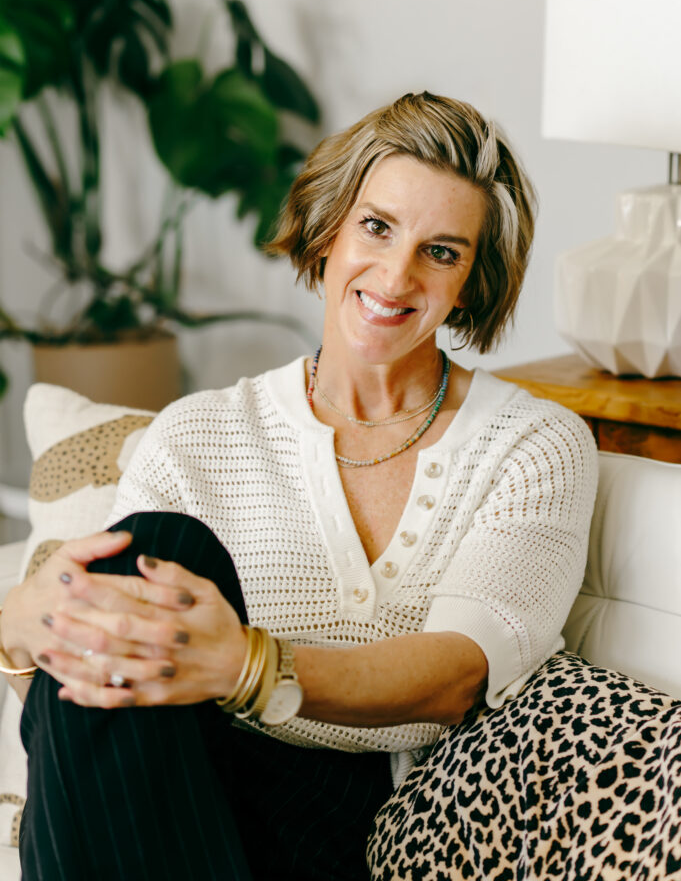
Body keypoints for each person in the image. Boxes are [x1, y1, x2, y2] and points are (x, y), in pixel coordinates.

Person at [0, 92, 600, 880]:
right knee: (150, 556)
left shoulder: (534, 444)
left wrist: (251, 667)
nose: (395, 274)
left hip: (364, 821)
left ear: (471, 285)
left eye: (441, 251)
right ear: (328, 231)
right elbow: (95, 659)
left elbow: (461, 672)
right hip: (177, 776)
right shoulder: (196, 434)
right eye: (376, 228)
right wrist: (19, 626)